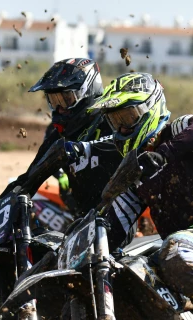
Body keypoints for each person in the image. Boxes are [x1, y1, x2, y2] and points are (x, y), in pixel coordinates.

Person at [92, 73, 193, 320]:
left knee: (176, 250)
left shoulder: (176, 131)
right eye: (115, 121)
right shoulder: (136, 173)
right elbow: (116, 225)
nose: (121, 128)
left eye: (128, 118)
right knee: (130, 275)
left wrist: (163, 154)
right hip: (175, 246)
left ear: (150, 109)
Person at [7, 58, 123, 217]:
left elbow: (129, 141)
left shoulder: (112, 122)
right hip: (83, 220)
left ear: (88, 92)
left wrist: (85, 147)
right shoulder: (59, 134)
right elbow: (29, 179)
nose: (59, 109)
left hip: (119, 219)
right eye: (54, 102)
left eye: (66, 99)